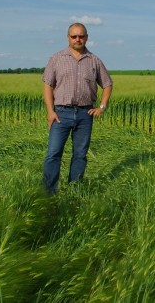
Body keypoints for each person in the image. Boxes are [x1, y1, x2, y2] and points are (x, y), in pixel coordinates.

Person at [41, 22, 113, 195]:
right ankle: (48, 193)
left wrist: (101, 107)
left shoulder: (94, 60)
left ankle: (74, 190)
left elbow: (108, 84)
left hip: (85, 114)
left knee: (80, 155)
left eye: (81, 36)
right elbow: (47, 86)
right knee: (53, 154)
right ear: (68, 38)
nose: (78, 39)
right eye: (74, 36)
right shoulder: (56, 58)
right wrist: (50, 111)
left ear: (87, 37)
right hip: (61, 113)